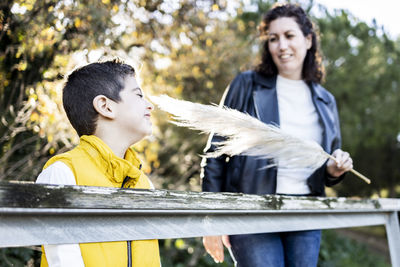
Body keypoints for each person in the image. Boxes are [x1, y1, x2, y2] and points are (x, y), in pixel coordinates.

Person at [201, 3, 353, 267]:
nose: (282, 46)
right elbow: (214, 154)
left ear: (308, 40)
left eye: (289, 36)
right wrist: (211, 220)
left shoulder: (326, 101)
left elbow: (325, 170)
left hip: (306, 213)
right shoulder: (245, 84)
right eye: (273, 38)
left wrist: (333, 170)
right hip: (251, 212)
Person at [36, 59, 160, 267]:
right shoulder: (62, 174)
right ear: (105, 106)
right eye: (138, 95)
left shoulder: (144, 184)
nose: (150, 105)